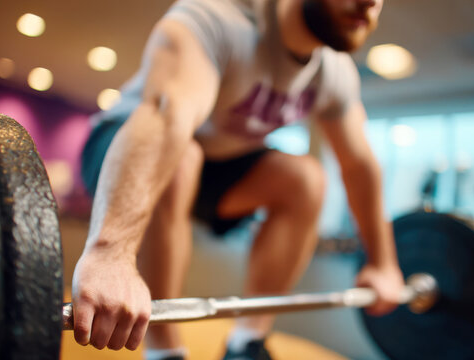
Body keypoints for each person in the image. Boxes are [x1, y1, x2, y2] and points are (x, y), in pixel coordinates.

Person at [73, 0, 405, 359]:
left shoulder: (335, 72)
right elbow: (165, 118)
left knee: (306, 179)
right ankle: (164, 349)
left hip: (218, 168)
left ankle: (246, 343)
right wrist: (110, 253)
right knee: (183, 156)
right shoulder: (218, 18)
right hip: (124, 151)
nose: (371, 3)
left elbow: (359, 167)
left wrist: (383, 263)